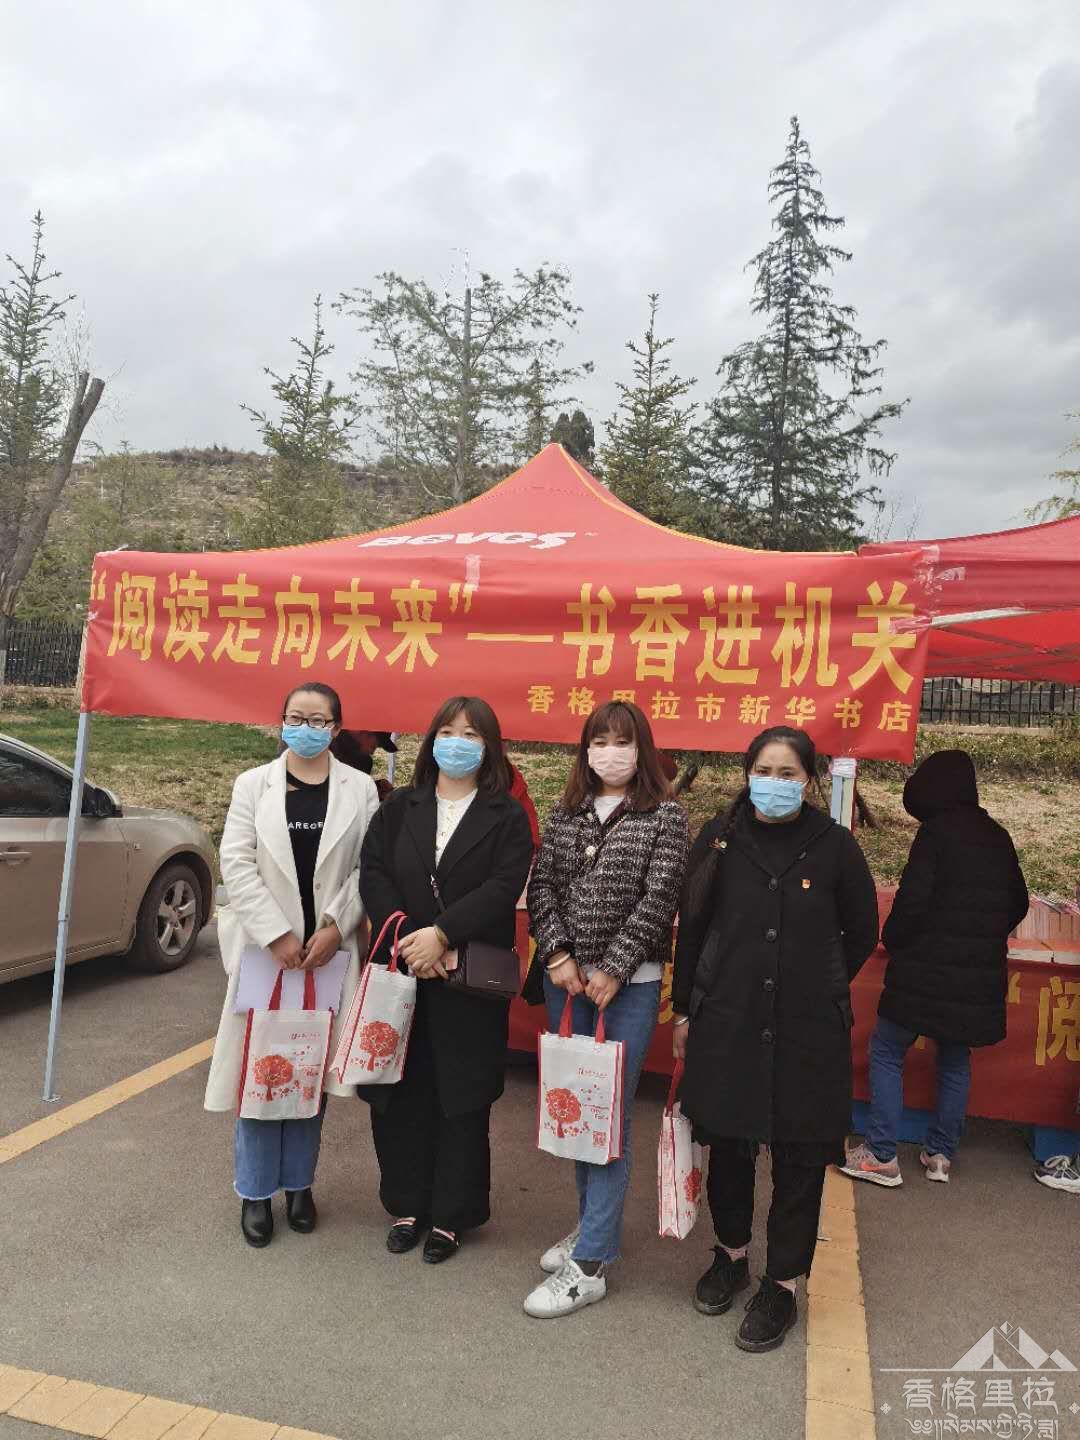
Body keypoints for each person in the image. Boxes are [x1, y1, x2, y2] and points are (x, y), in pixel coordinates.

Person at [671, 725, 879, 1353]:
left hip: (808, 1031)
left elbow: (861, 932)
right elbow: (693, 925)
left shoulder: (834, 846)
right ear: (747, 773)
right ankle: (730, 1255)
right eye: (764, 770)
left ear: (809, 780)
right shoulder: (720, 836)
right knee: (728, 1146)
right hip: (726, 1020)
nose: (775, 783)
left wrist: (820, 983)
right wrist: (684, 1012)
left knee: (799, 1159)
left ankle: (782, 1285)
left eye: (788, 773)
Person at [524, 700, 688, 1318]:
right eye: (599, 741)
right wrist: (558, 955)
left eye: (622, 742)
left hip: (628, 986)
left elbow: (659, 897)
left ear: (642, 750)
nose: (610, 753)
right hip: (567, 983)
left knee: (608, 1115)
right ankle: (592, 1227)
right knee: (578, 1111)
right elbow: (542, 886)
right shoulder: (566, 811)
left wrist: (615, 967)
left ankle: (591, 1264)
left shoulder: (665, 815)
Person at [358, 696, 533, 1264]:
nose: (458, 743)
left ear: (490, 747)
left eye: (471, 734)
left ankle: (452, 1215)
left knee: (461, 1095)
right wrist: (410, 938)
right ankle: (407, 1205)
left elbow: (503, 885)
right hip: (402, 966)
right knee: (398, 1089)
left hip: (467, 974)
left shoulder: (505, 815)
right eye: (448, 732)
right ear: (432, 739)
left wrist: (443, 935)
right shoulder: (400, 806)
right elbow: (374, 871)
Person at [205, 683, 380, 1247]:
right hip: (267, 955)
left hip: (328, 954)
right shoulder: (252, 784)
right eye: (295, 718)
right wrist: (276, 935)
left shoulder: (359, 789)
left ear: (336, 728)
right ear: (281, 722)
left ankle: (300, 1184)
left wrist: (335, 925)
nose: (306, 728)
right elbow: (236, 861)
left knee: (309, 1068)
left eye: (318, 720)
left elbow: (368, 867)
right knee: (261, 1069)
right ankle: (256, 1191)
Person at [842, 750, 1028, 1187]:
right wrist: (982, 937)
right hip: (975, 979)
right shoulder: (997, 836)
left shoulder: (936, 835)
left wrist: (894, 938)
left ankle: (881, 1153)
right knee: (955, 1059)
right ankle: (941, 1155)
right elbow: (1018, 902)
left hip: (922, 974)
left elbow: (912, 902)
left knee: (887, 1050)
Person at [331, 729, 396, 801]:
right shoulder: (328, 743)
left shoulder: (364, 762)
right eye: (373, 746)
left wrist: (377, 788)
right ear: (365, 733)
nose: (372, 752)